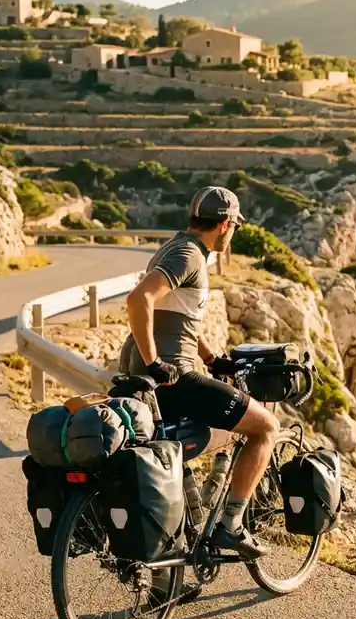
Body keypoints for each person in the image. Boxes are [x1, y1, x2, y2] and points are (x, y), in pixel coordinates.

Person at [118, 185, 278, 560]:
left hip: (139, 370)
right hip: (171, 376)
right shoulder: (190, 256)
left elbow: (181, 316)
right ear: (224, 225)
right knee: (266, 427)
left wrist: (211, 358)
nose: (233, 233)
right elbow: (138, 299)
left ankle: (171, 567)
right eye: (234, 227)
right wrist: (157, 363)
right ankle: (232, 526)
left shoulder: (175, 248)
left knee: (170, 450)